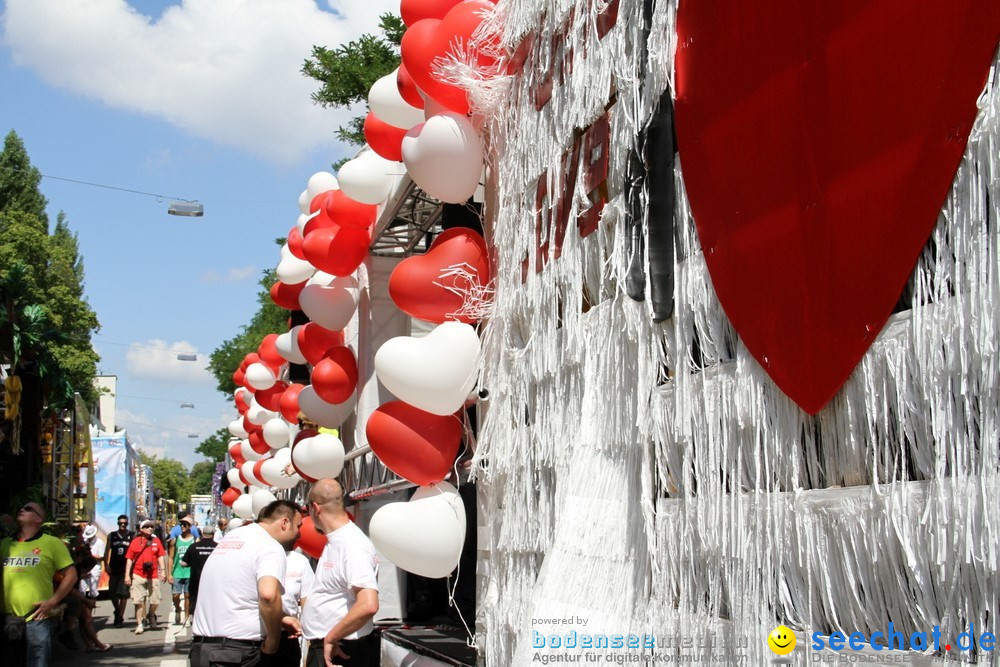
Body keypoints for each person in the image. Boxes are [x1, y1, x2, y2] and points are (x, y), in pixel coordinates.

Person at [190, 499, 303, 667]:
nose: (299, 534)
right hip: (237, 654)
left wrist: (279, 618)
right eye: (298, 526)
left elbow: (237, 594)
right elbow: (268, 596)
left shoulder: (233, 537)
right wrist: (273, 641)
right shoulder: (270, 546)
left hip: (204, 650)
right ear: (285, 522)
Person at [300, 479, 380, 667]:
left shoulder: (350, 544)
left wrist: (331, 638)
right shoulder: (337, 541)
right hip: (334, 644)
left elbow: (368, 604)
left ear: (315, 508)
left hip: (341, 648)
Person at [0, 501, 77, 666]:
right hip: (8, 619)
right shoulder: (5, 544)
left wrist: (53, 601)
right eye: (21, 507)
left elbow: (71, 575)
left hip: (38, 618)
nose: (22, 509)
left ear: (39, 519)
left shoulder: (52, 543)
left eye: (28, 509)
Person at [124, 519, 166, 634]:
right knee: (138, 601)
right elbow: (129, 559)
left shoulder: (156, 541)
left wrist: (163, 571)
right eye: (147, 527)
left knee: (155, 600)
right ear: (141, 529)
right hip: (138, 574)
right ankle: (140, 624)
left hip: (153, 575)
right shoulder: (135, 542)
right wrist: (127, 575)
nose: (150, 528)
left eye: (151, 527)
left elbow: (161, 556)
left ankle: (151, 613)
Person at [277, 548, 315, 666]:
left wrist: (309, 642)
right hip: (252, 640)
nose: (298, 534)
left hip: (288, 638)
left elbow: (309, 606)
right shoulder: (251, 555)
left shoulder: (300, 561)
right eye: (296, 527)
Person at [180, 525, 217, 616]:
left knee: (195, 598)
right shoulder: (217, 547)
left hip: (196, 579)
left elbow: (183, 563)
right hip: (212, 580)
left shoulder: (193, 547)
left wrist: (192, 563)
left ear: (203, 534)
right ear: (213, 534)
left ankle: (196, 618)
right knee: (211, 600)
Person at [104, 514, 134, 626]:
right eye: (120, 523)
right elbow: (107, 551)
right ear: (117, 523)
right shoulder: (112, 536)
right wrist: (106, 564)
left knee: (123, 594)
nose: (122, 525)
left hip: (126, 569)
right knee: (112, 592)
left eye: (125, 523)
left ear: (127, 524)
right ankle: (117, 609)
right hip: (114, 568)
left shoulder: (132, 535)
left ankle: (120, 616)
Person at [167, 517, 195, 625]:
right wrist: (169, 573)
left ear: (190, 527)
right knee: (176, 595)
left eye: (185, 524)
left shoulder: (194, 540)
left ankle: (187, 617)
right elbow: (170, 557)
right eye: (181, 524)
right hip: (177, 571)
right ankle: (177, 608)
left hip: (189, 572)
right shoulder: (176, 539)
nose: (182, 526)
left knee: (188, 595)